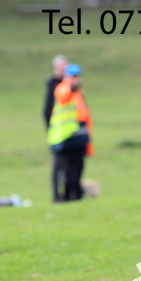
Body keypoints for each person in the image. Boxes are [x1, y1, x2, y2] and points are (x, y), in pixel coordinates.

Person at [47, 64, 93, 201]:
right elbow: (63, 97)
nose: (76, 79)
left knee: (77, 167)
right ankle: (62, 196)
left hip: (77, 136)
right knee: (63, 168)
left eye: (77, 76)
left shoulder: (79, 92)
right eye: (73, 76)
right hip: (63, 137)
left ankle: (74, 194)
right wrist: (71, 87)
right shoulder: (63, 88)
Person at [44, 55, 69, 201]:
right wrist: (51, 130)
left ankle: (67, 193)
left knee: (68, 165)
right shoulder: (53, 86)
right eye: (62, 67)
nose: (64, 70)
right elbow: (46, 111)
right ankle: (56, 194)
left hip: (69, 131)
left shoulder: (70, 85)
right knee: (58, 165)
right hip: (57, 132)